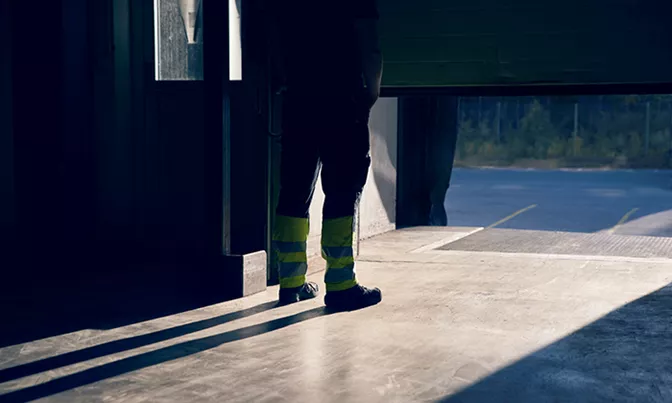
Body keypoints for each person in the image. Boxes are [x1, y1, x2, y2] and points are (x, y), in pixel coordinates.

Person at [271, 0, 383, 310]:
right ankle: (341, 284)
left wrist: (289, 83)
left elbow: (275, 40)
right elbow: (369, 44)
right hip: (341, 99)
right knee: (342, 191)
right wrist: (371, 91)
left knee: (294, 191)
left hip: (299, 100)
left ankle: (290, 283)